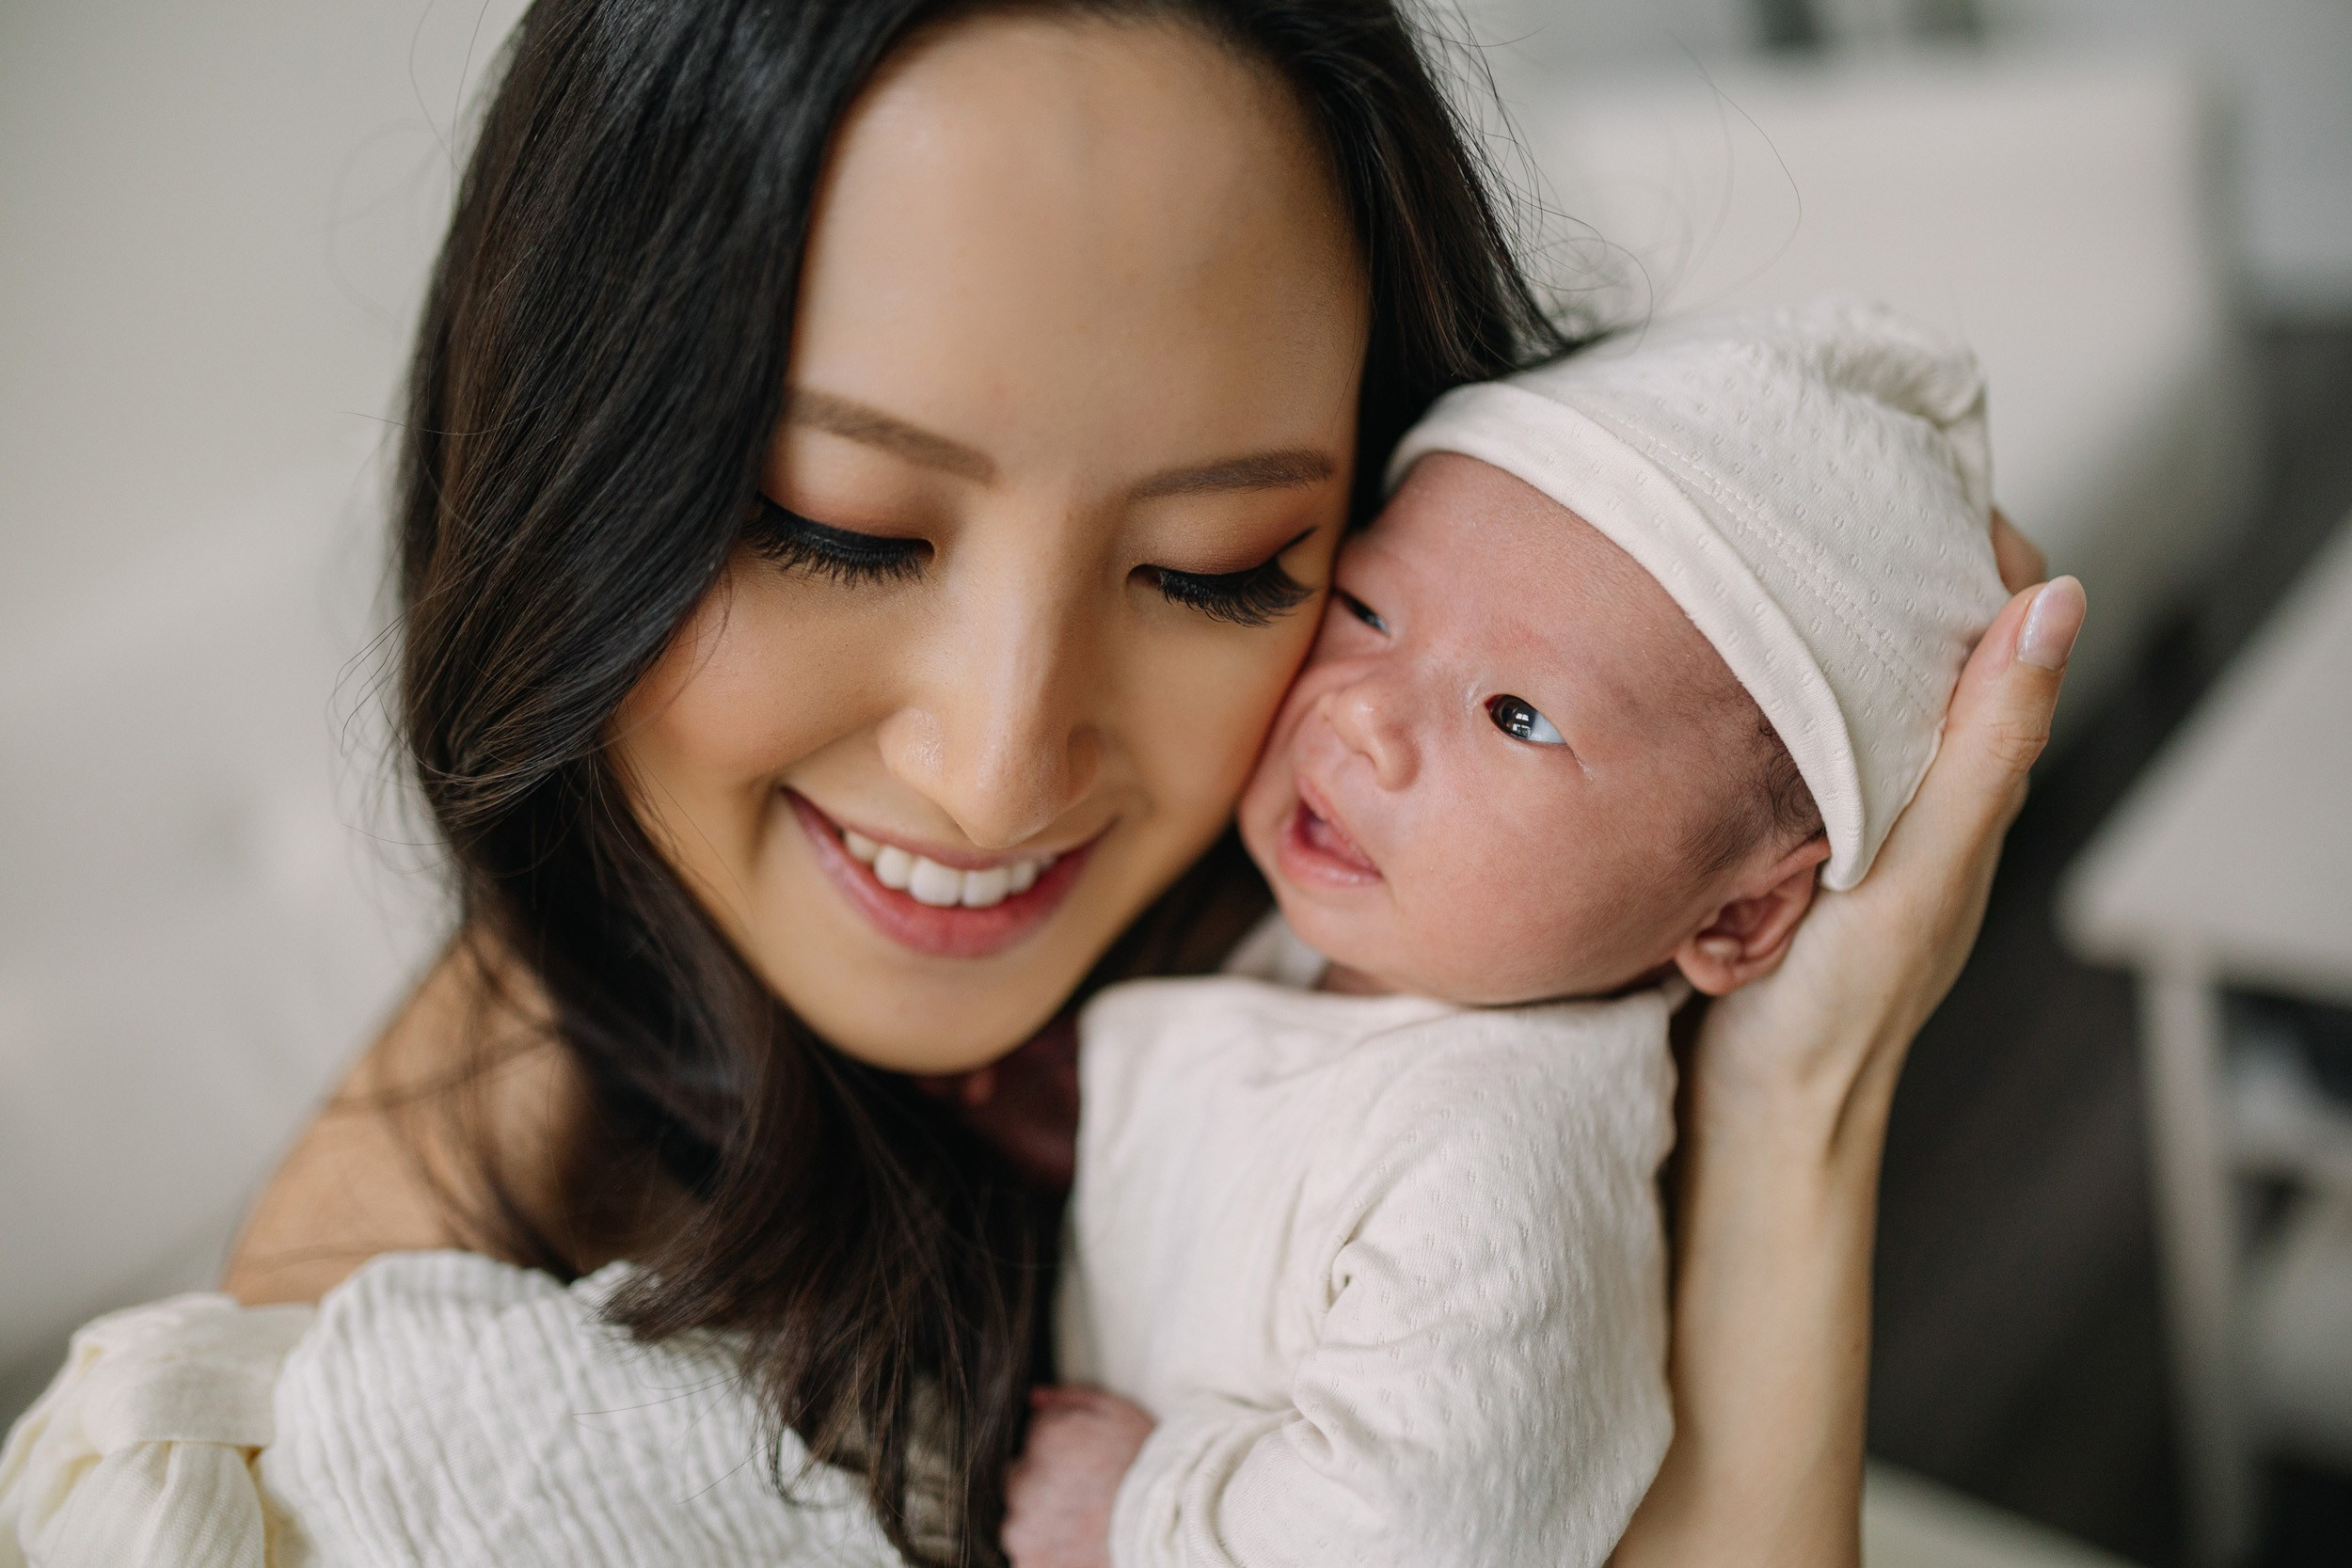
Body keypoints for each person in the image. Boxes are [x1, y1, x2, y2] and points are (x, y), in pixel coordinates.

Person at [0, 1, 2085, 1564]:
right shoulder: (384, 1338)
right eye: (834, 527)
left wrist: (1795, 1094)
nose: (998, 769)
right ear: (575, 489)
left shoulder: (1394, 980)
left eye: (1215, 569)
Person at [1001, 298, 2018, 1568]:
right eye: (1370, 610)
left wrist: (1139, 1515)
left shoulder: (1499, 1166)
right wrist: (1097, 1115)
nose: (1366, 714)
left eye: (1518, 716)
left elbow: (1421, 1534)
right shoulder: (1344, 945)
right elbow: (1250, 1161)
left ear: (1743, 911)